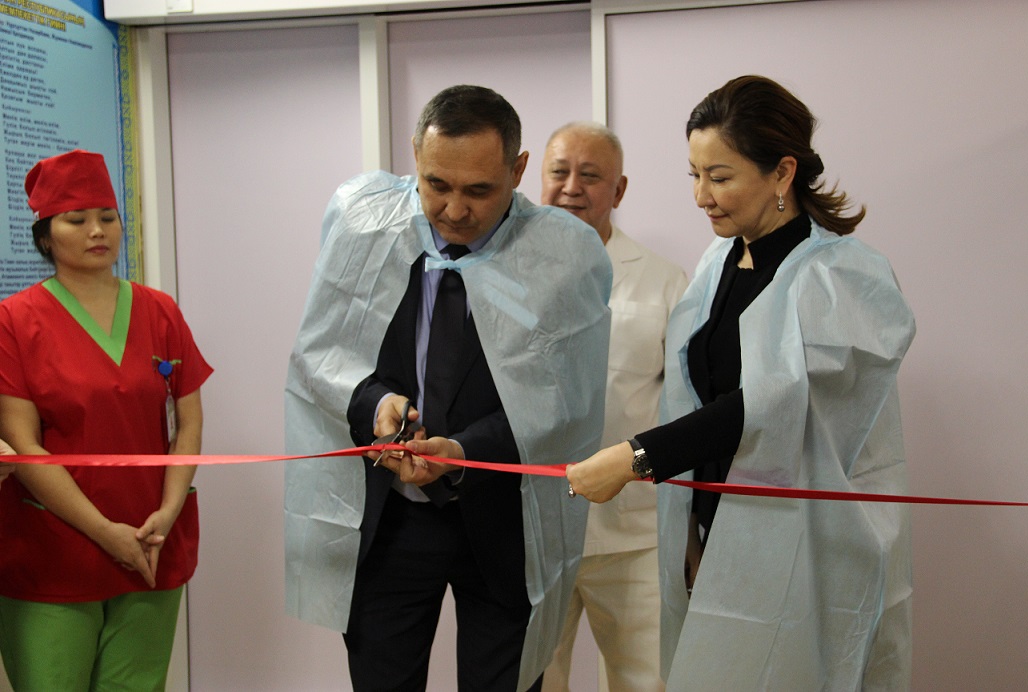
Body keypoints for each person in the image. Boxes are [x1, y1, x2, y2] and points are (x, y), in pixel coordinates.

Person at [566, 75, 915, 689]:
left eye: (720, 177)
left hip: (811, 549)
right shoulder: (720, 262)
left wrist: (636, 457)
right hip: (719, 537)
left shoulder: (841, 277)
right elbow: (697, 394)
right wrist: (693, 525)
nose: (702, 196)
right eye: (694, 175)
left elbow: (770, 404)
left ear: (782, 173)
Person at [284, 85, 612, 692]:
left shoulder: (563, 254)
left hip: (506, 519)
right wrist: (377, 404)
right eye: (436, 184)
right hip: (390, 517)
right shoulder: (365, 226)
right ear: (415, 154)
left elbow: (566, 401)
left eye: (479, 190)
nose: (455, 210)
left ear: (518, 169)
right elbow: (324, 353)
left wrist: (463, 451)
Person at [0, 149, 212, 691]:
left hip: (151, 540)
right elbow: (23, 446)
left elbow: (187, 423)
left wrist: (167, 512)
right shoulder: (15, 321)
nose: (97, 231)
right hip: (54, 549)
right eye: (76, 220)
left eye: (107, 217)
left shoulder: (160, 311)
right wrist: (104, 532)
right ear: (45, 236)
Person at [539, 122, 686, 692]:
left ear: (619, 190)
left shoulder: (665, 282)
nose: (571, 187)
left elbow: (687, 412)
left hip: (634, 535)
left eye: (591, 175)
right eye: (559, 172)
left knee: (647, 681)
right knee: (529, 680)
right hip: (535, 532)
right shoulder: (501, 274)